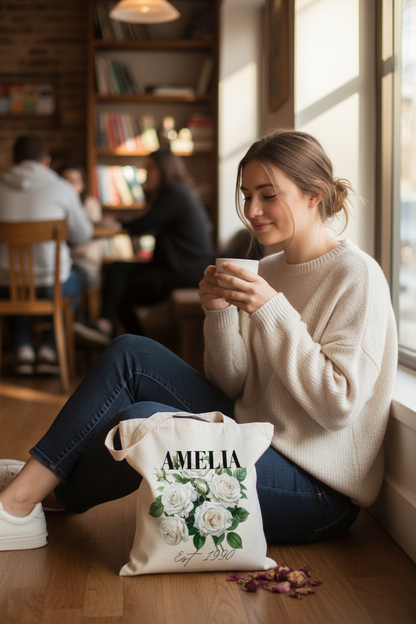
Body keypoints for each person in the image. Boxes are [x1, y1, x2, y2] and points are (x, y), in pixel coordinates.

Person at [0, 130, 397, 551]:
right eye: (246, 195)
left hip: (316, 489)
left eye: (268, 195)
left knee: (147, 419)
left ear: (314, 195)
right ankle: (30, 497)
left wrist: (270, 310)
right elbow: (233, 386)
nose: (253, 210)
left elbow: (338, 406)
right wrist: (219, 312)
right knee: (129, 351)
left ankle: (28, 499)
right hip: (256, 435)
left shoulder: (357, 275)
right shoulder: (269, 268)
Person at [73, 148, 215, 344]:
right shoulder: (177, 193)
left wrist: (116, 223)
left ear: (165, 170)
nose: (147, 174)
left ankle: (135, 344)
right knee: (115, 269)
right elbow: (145, 222)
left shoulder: (175, 194)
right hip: (175, 266)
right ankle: (108, 326)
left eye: (151, 168)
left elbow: (143, 225)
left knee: (120, 292)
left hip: (183, 271)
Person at [0, 136, 93, 375]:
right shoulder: (62, 187)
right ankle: (49, 351)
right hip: (54, 286)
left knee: (12, 281)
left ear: (13, 160)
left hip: (7, 286)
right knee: (76, 278)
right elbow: (83, 235)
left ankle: (23, 350)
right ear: (46, 161)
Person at [58, 163, 104, 289]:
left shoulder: (90, 205)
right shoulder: (57, 207)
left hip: (84, 262)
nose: (69, 187)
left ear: (82, 185)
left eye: (73, 182)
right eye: (65, 181)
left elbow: (85, 239)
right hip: (62, 264)